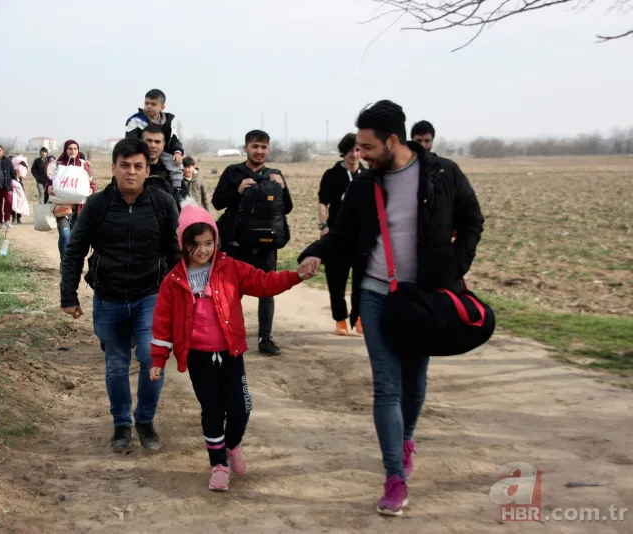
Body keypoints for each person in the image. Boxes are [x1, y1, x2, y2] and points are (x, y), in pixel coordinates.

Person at [298, 100, 484, 516]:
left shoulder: (443, 174)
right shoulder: (364, 185)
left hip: (423, 299)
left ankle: (405, 440)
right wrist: (314, 253)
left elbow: (473, 220)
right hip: (376, 293)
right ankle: (394, 477)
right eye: (358, 147)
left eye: (367, 147)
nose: (360, 154)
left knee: (414, 383)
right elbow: (342, 233)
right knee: (387, 386)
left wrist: (455, 265)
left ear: (393, 141)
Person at [149, 200, 311, 492]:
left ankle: (232, 445)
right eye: (195, 244)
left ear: (216, 241)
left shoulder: (230, 268)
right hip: (198, 358)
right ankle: (219, 464)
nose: (203, 250)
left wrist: (295, 276)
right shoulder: (173, 281)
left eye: (208, 243)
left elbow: (263, 282)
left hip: (231, 354)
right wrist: (158, 359)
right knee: (212, 410)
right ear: (183, 244)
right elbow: (162, 322)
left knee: (241, 407)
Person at [60, 138, 179, 453]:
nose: (131, 171)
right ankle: (121, 424)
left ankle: (145, 420)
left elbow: (175, 252)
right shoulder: (96, 205)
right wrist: (68, 295)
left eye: (138, 166)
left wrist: (186, 296)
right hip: (109, 299)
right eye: (124, 165)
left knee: (151, 356)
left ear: (147, 170)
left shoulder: (163, 203)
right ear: (113, 168)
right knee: (116, 364)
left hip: (151, 295)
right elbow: (75, 250)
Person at [211, 130, 293, 356]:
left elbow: (287, 208)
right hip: (236, 245)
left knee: (267, 292)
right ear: (246, 148)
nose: (259, 151)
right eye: (255, 146)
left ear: (269, 149)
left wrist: (282, 188)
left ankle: (265, 339)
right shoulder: (232, 172)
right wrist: (237, 191)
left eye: (263, 147)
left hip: (266, 245)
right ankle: (226, 335)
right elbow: (217, 202)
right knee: (231, 293)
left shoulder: (275, 174)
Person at [318, 133, 367, 336]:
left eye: (357, 150)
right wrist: (323, 226)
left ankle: (359, 318)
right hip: (337, 236)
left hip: (362, 237)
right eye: (349, 151)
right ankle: (340, 320)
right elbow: (323, 202)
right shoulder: (332, 175)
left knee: (361, 281)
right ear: (343, 153)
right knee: (336, 280)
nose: (353, 155)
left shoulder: (368, 175)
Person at [45, 140, 95, 262]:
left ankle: (73, 262)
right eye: (70, 149)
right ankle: (65, 262)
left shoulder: (83, 165)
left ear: (78, 151)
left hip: (79, 209)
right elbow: (49, 182)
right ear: (65, 150)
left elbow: (92, 183)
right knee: (65, 234)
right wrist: (49, 188)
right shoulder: (57, 165)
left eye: (75, 149)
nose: (73, 151)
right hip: (62, 208)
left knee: (75, 237)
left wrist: (91, 189)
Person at [125, 88, 185, 190]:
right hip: (142, 152)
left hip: (163, 151)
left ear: (162, 107)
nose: (149, 106)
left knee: (175, 162)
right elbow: (131, 140)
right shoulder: (136, 120)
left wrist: (178, 152)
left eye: (153, 104)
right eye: (146, 103)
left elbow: (174, 140)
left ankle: (177, 188)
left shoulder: (167, 122)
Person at [142, 124, 186, 208]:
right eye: (149, 141)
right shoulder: (131, 172)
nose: (153, 145)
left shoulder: (173, 175)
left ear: (164, 145)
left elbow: (182, 207)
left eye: (157, 142)